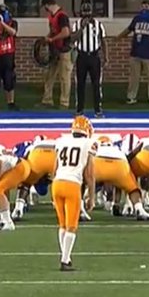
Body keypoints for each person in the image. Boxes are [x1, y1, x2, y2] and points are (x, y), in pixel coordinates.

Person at [52, 116, 98, 272]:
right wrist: (92, 196)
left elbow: (54, 168)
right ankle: (65, 260)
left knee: (63, 225)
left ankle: (66, 257)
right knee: (71, 226)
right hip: (72, 184)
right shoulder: (88, 144)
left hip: (57, 183)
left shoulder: (61, 141)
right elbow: (90, 175)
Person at [119, 0, 149, 105]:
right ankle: (131, 96)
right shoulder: (137, 18)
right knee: (134, 77)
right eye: (143, 5)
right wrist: (119, 37)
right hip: (136, 52)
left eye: (147, 6)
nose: (144, 8)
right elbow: (129, 29)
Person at [72, 2, 106, 117]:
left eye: (88, 12)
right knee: (80, 84)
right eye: (84, 12)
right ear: (81, 13)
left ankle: (97, 109)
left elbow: (103, 41)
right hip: (81, 56)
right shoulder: (76, 24)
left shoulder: (98, 24)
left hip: (94, 56)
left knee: (96, 84)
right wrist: (82, 27)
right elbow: (73, 38)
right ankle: (79, 109)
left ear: (92, 13)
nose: (86, 14)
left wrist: (106, 56)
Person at [40, 0, 73, 109]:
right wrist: (47, 38)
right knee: (49, 76)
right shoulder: (52, 17)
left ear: (48, 5)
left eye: (45, 7)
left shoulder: (62, 16)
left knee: (64, 77)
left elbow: (66, 32)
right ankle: (47, 100)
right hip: (54, 50)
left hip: (64, 50)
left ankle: (64, 102)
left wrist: (52, 39)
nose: (46, 10)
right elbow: (53, 31)